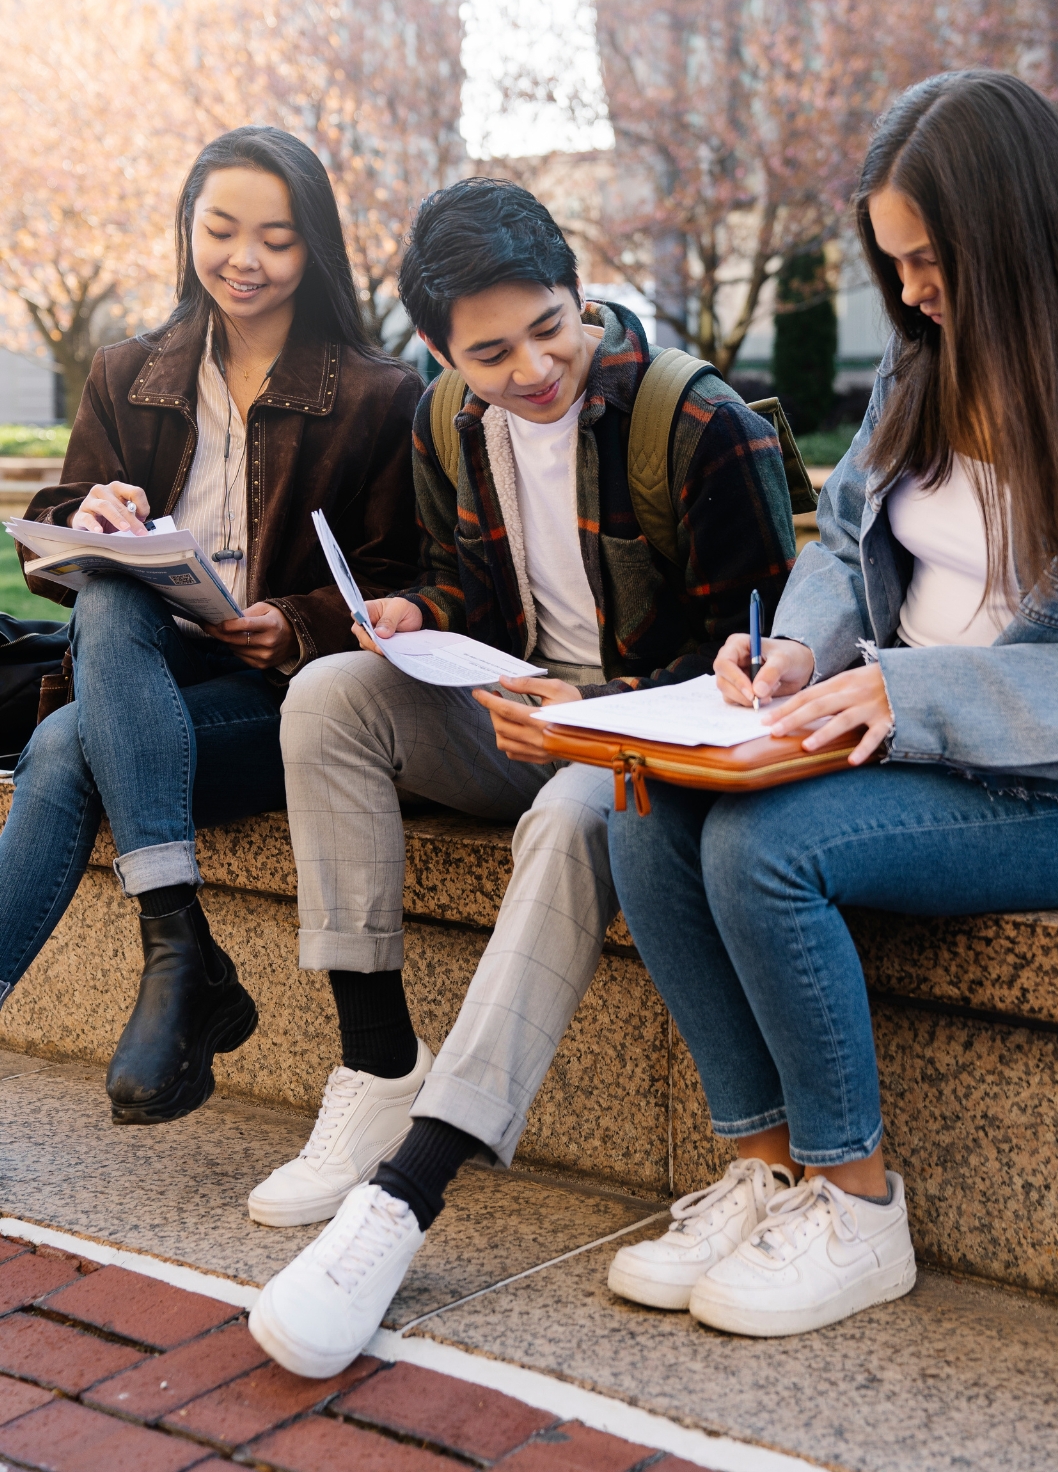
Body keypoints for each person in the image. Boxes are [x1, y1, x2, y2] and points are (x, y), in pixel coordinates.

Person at [245, 177, 797, 1378]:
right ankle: (380, 1063)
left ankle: (405, 1195)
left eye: (551, 327)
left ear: (578, 287)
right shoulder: (448, 422)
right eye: (489, 352)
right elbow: (467, 590)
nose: (535, 368)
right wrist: (414, 613)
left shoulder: (696, 423)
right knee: (328, 694)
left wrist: (589, 713)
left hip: (644, 747)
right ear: (441, 351)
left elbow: (758, 661)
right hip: (512, 716)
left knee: (563, 812)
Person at [603, 69, 1058, 1339]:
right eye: (897, 265)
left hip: (1044, 782)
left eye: (934, 260)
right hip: (892, 726)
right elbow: (841, 543)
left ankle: (857, 1206)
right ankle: (764, 1174)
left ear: (1020, 227)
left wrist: (905, 693)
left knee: (765, 848)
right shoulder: (922, 366)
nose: (913, 293)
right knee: (642, 814)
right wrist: (803, 658)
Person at [1, 127, 421, 1125]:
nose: (246, 259)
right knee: (109, 589)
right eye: (221, 229)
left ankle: (183, 961)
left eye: (277, 238)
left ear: (316, 247)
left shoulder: (377, 393)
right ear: (186, 227)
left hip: (286, 703)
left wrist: (302, 624)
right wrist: (85, 519)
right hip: (145, 669)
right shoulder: (128, 372)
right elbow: (52, 544)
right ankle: (180, 944)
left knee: (64, 745)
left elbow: (413, 577)